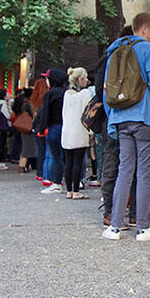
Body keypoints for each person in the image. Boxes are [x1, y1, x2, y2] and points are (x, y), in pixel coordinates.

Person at [101, 13, 150, 242]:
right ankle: (143, 227)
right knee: (145, 173)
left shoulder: (114, 52)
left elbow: (106, 91)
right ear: (144, 30)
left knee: (124, 171)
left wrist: (114, 118)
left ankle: (115, 227)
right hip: (145, 118)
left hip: (120, 118)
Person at [96, 25, 134, 227]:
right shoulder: (131, 57)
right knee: (131, 166)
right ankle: (130, 212)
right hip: (128, 118)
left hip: (110, 119)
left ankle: (111, 210)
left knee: (112, 165)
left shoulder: (107, 57)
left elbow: (98, 88)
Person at [34, 68, 68, 194]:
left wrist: (41, 128)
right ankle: (72, 183)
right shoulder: (67, 92)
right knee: (67, 156)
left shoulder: (50, 93)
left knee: (55, 156)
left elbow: (45, 113)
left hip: (53, 128)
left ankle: (56, 183)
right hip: (66, 127)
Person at [61, 67, 93, 199]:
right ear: (80, 79)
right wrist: (91, 132)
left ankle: (69, 191)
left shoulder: (67, 94)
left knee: (68, 162)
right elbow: (89, 114)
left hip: (67, 131)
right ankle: (76, 191)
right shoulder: (85, 94)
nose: (87, 80)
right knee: (78, 162)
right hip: (79, 131)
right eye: (85, 78)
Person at [30, 79, 49, 182]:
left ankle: (40, 172)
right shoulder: (47, 98)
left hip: (36, 126)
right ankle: (45, 173)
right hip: (45, 127)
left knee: (40, 151)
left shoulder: (34, 99)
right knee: (47, 151)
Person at [16, 88, 37, 173]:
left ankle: (23, 165)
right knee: (27, 148)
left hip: (24, 128)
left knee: (25, 147)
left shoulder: (23, 103)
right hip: (28, 128)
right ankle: (22, 165)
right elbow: (33, 116)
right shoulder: (28, 104)